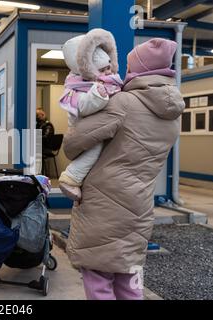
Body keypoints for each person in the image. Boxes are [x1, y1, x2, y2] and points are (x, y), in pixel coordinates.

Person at [62, 38, 185, 300]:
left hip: (104, 205)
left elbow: (73, 145)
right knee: (130, 276)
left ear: (138, 70)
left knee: (98, 277)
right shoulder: (173, 115)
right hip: (140, 204)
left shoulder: (123, 104)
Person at [58, 29, 123, 201]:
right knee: (94, 149)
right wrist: (99, 94)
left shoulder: (109, 82)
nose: (109, 72)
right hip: (84, 128)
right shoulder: (77, 86)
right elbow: (84, 107)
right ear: (87, 69)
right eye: (103, 69)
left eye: (109, 66)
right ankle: (71, 178)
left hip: (99, 125)